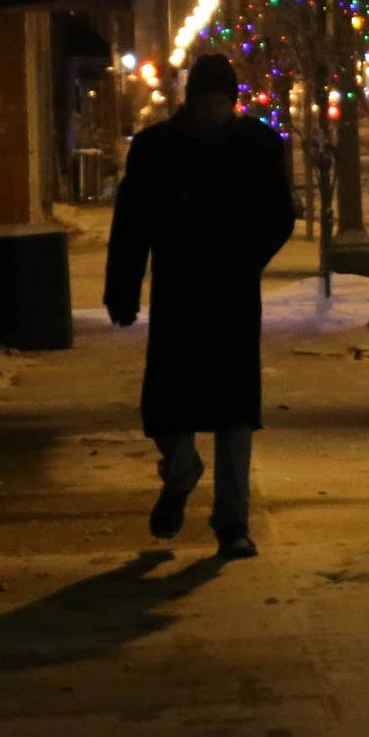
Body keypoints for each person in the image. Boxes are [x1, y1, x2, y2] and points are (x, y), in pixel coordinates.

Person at [104, 54, 297, 558]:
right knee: (172, 403)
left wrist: (246, 258)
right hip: (180, 292)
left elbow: (279, 215)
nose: (215, 112)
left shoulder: (256, 147)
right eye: (207, 103)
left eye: (222, 103)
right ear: (191, 102)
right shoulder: (157, 150)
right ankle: (182, 471)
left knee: (235, 413)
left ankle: (232, 521)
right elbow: (131, 226)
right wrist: (122, 289)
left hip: (231, 294)